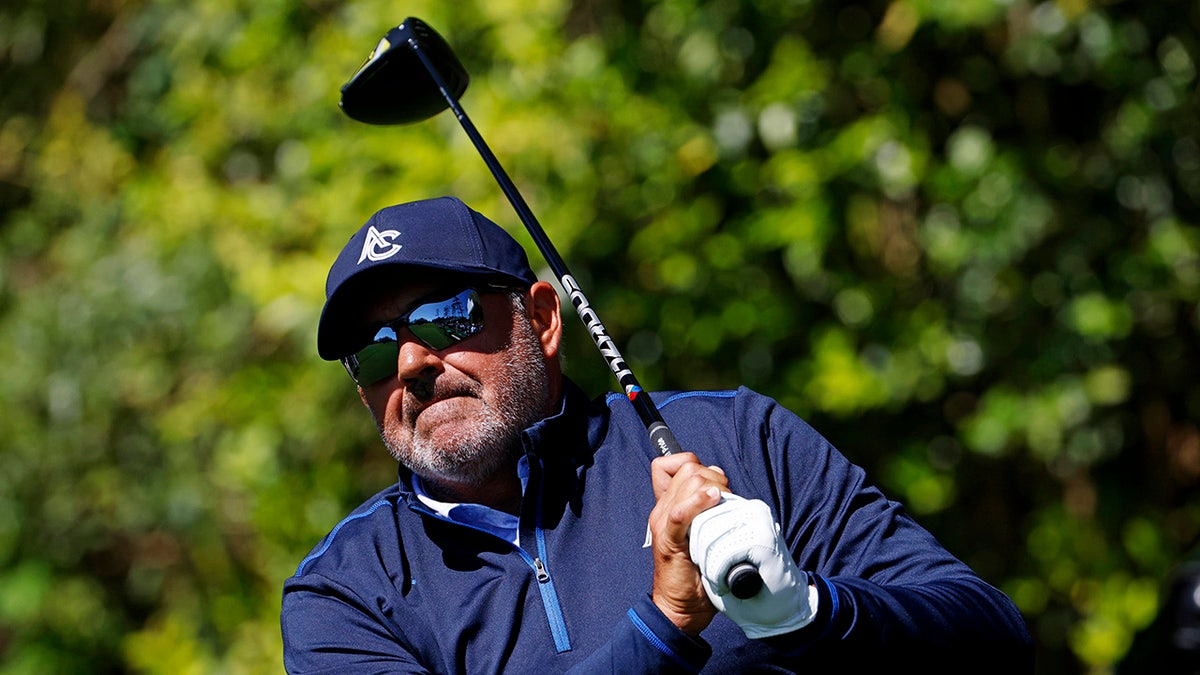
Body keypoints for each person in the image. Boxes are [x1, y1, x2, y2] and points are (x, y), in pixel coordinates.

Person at [281, 196, 1033, 673]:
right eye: (375, 349)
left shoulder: (737, 434)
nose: (410, 361)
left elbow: (993, 638)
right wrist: (666, 623)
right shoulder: (345, 592)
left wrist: (811, 612)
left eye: (445, 316)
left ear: (541, 320)